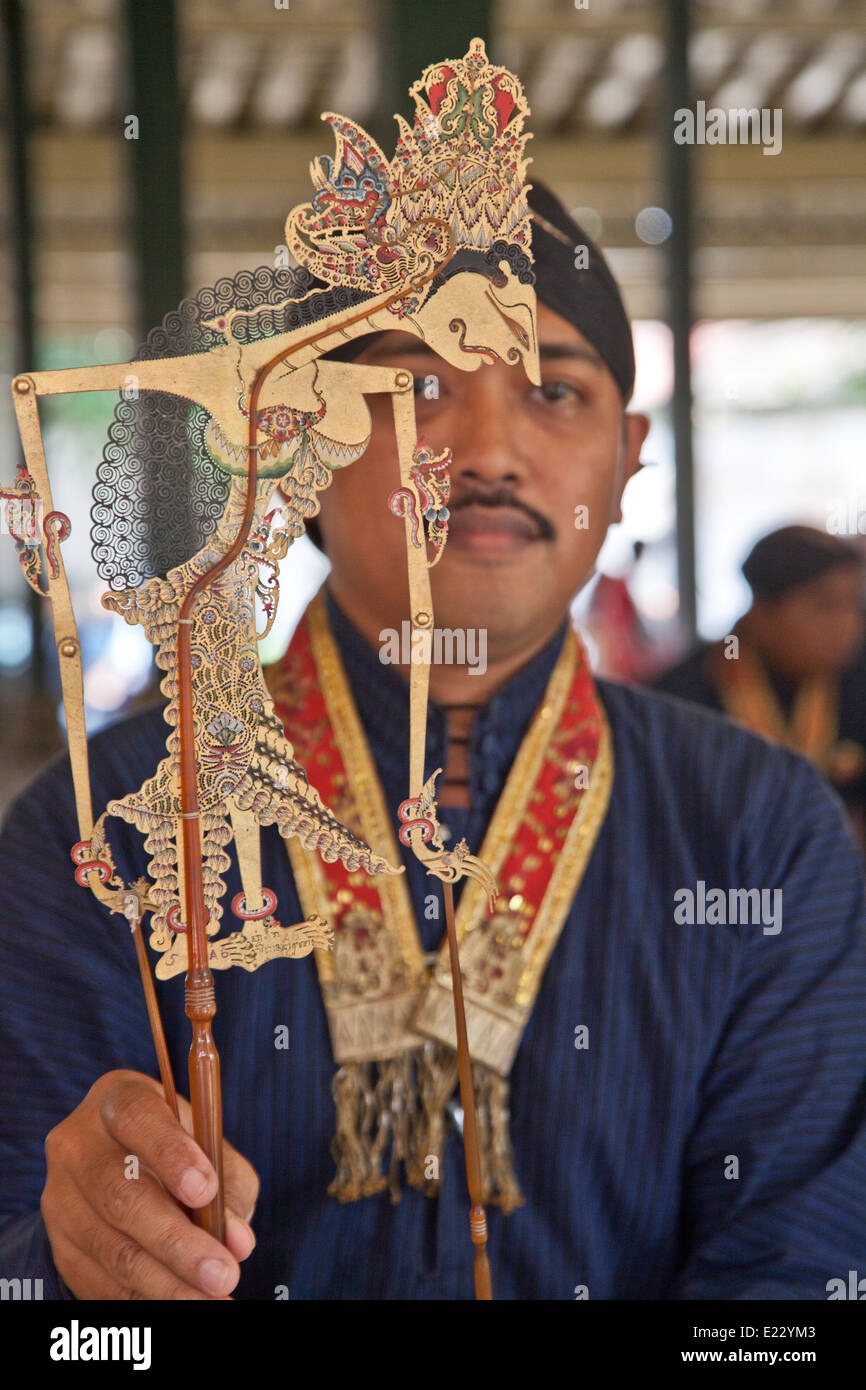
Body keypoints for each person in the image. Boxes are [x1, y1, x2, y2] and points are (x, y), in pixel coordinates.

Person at [2, 183, 866, 1302]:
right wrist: (72, 1261)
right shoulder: (107, 824)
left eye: (555, 390)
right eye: (415, 386)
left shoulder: (758, 829)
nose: (487, 451)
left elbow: (793, 1281)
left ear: (625, 454)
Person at [654, 526, 866, 856]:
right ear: (762, 611)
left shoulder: (854, 680)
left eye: (854, 604)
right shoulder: (684, 697)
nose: (848, 624)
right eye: (825, 606)